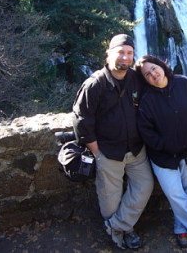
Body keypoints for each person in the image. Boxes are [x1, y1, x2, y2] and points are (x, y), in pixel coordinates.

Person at [72, 34, 154, 249]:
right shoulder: (95, 84)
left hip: (136, 149)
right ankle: (123, 234)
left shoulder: (135, 78)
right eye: (121, 52)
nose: (125, 57)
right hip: (108, 151)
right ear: (109, 54)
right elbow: (81, 119)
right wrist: (97, 151)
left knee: (145, 185)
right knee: (110, 197)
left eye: (129, 53)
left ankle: (116, 226)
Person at [134, 55, 187, 248]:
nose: (153, 74)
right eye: (147, 74)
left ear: (161, 65)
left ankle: (181, 228)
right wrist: (165, 145)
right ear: (144, 79)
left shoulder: (184, 83)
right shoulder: (146, 101)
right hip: (164, 157)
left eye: (154, 68)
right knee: (175, 193)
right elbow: (146, 132)